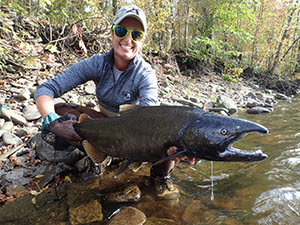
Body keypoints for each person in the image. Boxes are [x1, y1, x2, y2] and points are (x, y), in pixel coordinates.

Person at [34, 5, 193, 200]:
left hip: (138, 136)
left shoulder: (145, 74)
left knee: (166, 139)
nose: (128, 40)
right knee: (60, 110)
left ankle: (161, 179)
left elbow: (151, 117)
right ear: (112, 33)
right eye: (121, 31)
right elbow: (46, 89)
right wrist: (51, 119)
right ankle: (99, 157)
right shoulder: (97, 63)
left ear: (142, 41)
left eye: (136, 35)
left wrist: (171, 147)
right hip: (106, 126)